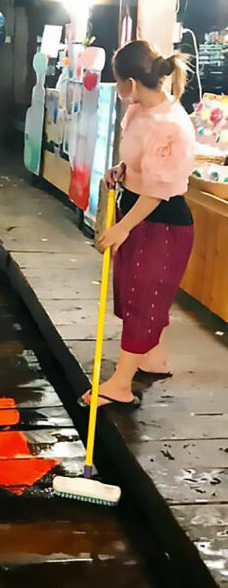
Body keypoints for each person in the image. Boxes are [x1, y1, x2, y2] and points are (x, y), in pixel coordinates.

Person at [83, 40, 195, 409]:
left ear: (130, 82)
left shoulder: (170, 125)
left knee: (142, 297)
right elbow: (138, 165)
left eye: (117, 83)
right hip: (135, 207)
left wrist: (123, 227)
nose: (117, 90)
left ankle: (120, 383)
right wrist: (122, 172)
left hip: (161, 221)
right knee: (135, 293)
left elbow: (160, 190)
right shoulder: (137, 113)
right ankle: (153, 357)